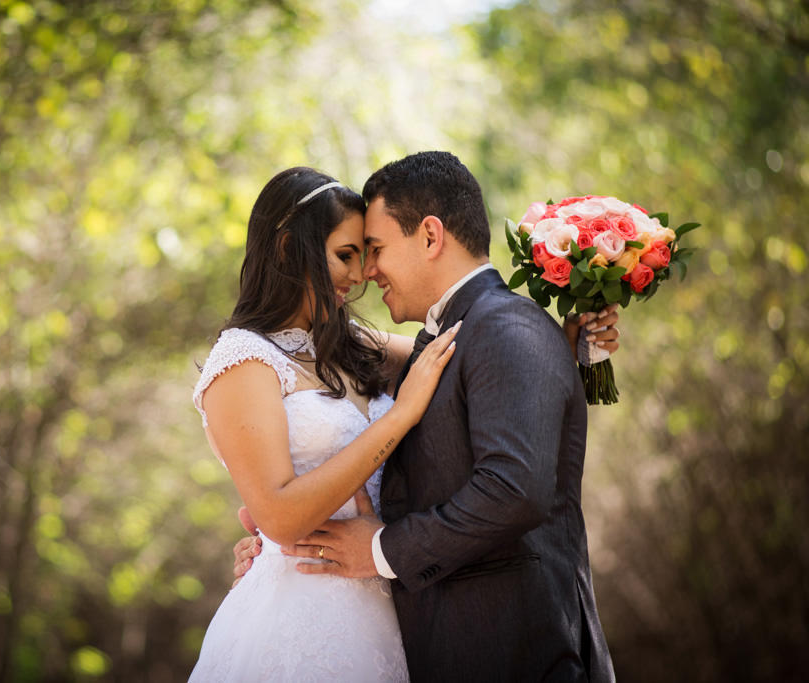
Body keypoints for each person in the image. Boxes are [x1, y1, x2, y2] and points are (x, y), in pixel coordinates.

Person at [196, 162, 620, 681]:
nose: (362, 275)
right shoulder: (245, 359)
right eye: (347, 255)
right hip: (312, 613)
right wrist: (269, 540)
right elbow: (282, 510)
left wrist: (567, 344)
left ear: (430, 235)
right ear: (289, 250)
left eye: (370, 251)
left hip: (406, 614)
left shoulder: (355, 346)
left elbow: (495, 359)